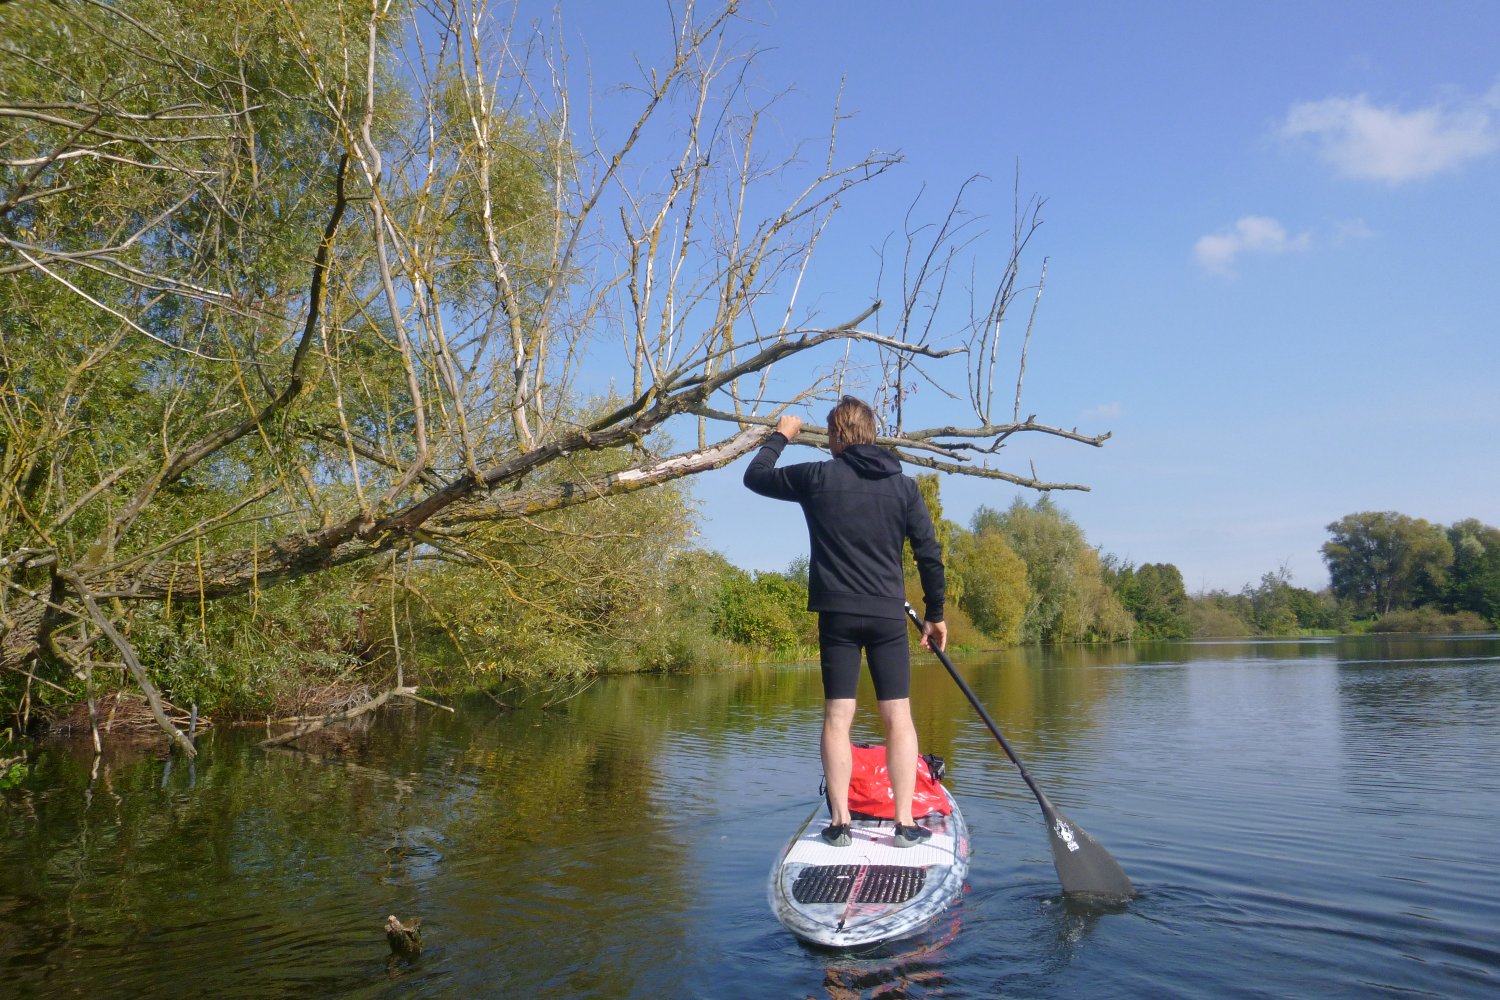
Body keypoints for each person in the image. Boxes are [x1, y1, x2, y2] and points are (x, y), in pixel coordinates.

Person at [743, 395, 947, 848]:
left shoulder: (817, 476)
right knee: (898, 716)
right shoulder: (904, 486)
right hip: (886, 615)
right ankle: (904, 823)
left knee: (838, 716)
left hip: (837, 614)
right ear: (870, 434)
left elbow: (755, 477)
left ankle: (839, 824)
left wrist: (782, 435)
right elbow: (929, 555)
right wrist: (934, 614)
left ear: (836, 436)